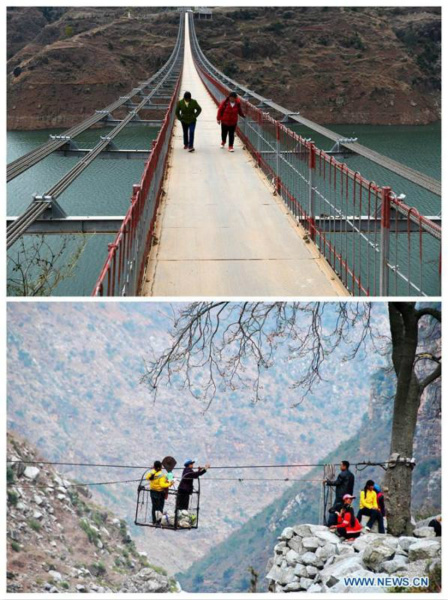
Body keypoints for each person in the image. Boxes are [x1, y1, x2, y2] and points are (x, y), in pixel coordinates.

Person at [325, 460, 355, 526]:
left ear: (344, 466)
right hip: (348, 498)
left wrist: (327, 482)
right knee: (345, 510)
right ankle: (343, 523)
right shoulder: (352, 475)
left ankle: (331, 524)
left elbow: (337, 482)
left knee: (334, 510)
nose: (340, 467)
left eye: (341, 465)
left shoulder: (342, 474)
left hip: (340, 496)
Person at [145, 460, 173, 524]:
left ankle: (154, 520)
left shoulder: (152, 473)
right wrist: (170, 484)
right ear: (160, 467)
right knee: (159, 507)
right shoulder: (161, 475)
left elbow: (147, 477)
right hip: (159, 493)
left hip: (152, 492)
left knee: (154, 507)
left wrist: (154, 470)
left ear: (154, 467)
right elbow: (162, 485)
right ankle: (159, 521)